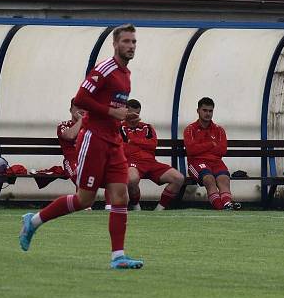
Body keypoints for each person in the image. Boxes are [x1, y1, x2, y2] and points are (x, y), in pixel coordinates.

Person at [19, 24, 143, 270]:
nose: (130, 46)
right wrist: (112, 112)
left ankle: (118, 256)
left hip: (113, 142)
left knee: (121, 195)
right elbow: (81, 100)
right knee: (84, 199)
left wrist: (126, 116)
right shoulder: (105, 69)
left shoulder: (126, 74)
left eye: (133, 42)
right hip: (94, 139)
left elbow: (112, 108)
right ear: (115, 44)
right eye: (126, 41)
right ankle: (33, 222)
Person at [120, 99, 185, 211]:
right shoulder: (119, 127)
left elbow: (153, 144)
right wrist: (141, 143)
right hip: (132, 162)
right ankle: (136, 206)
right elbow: (124, 150)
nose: (135, 117)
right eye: (132, 114)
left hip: (151, 162)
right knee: (132, 180)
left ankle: (159, 210)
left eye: (137, 114)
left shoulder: (147, 127)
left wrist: (133, 141)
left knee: (178, 178)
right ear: (126, 112)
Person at [183, 97, 240, 210]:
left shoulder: (219, 130)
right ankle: (221, 207)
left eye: (210, 111)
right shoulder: (190, 129)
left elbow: (222, 150)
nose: (208, 113)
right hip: (197, 162)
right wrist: (211, 144)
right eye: (204, 110)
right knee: (209, 179)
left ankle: (227, 204)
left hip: (216, 162)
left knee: (224, 179)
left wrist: (201, 147)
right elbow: (191, 150)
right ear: (198, 111)